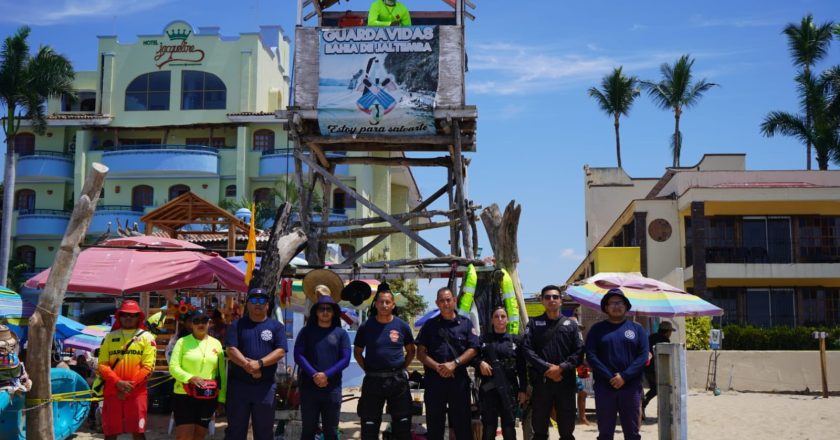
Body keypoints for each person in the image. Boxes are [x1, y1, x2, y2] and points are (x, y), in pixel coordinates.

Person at [354, 282, 416, 439]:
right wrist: (368, 369)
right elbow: (357, 352)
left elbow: (411, 351)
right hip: (373, 381)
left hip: (398, 382)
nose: (384, 305)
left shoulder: (402, 326)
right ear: (375, 304)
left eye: (387, 302)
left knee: (402, 426)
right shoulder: (366, 326)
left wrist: (402, 368)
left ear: (393, 305)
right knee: (369, 426)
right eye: (381, 302)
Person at [416, 287, 479, 440]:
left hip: (458, 381)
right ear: (437, 303)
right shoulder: (429, 326)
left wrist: (454, 363)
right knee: (434, 424)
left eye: (448, 299)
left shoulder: (465, 324)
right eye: (442, 300)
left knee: (462, 424)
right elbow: (421, 353)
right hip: (434, 380)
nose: (445, 303)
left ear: (454, 300)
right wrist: (437, 367)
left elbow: (474, 348)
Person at [584, 289, 648, 440]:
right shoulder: (597, 330)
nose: (616, 306)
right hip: (604, 387)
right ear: (606, 307)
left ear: (626, 306)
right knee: (605, 433)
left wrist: (624, 376)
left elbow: (643, 356)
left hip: (631, 387)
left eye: (619, 303)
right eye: (611, 303)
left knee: (632, 433)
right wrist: (610, 377)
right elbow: (591, 355)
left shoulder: (637, 329)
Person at [522, 285, 584, 440]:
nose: (552, 300)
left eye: (555, 297)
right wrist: (546, 368)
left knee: (567, 430)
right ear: (542, 301)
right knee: (540, 430)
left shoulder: (571, 326)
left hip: (565, 382)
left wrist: (561, 368)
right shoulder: (534, 324)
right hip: (542, 383)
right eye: (548, 297)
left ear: (561, 301)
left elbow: (579, 352)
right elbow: (527, 350)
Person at [224, 288, 287, 440]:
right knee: (236, 430)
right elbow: (231, 349)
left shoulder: (276, 327)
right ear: (247, 304)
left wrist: (259, 364)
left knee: (264, 431)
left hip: (265, 388)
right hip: (239, 386)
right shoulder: (236, 325)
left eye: (262, 300)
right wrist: (249, 366)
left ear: (267, 305)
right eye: (253, 300)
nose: (257, 304)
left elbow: (281, 351)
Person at [294, 291, 351, 440]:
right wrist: (314, 374)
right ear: (316, 312)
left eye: (328, 309)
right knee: (308, 429)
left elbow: (345, 359)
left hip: (332, 388)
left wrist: (326, 375)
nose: (325, 312)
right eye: (321, 309)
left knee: (331, 430)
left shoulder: (341, 334)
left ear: (333, 312)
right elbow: (298, 355)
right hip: (309, 388)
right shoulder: (306, 332)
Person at [97, 300, 157, 440]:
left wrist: (128, 386)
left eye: (133, 315)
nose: (128, 318)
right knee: (110, 432)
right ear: (119, 316)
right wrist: (118, 383)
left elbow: (148, 367)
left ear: (139, 317)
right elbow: (102, 365)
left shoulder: (147, 338)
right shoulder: (109, 337)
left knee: (138, 432)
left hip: (136, 393)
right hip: (113, 391)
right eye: (124, 314)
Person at [169, 308, 227, 440]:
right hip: (184, 395)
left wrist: (221, 399)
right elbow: (173, 367)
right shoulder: (182, 342)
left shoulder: (216, 344)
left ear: (209, 323)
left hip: (207, 397)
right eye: (196, 321)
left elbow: (221, 373)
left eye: (204, 320)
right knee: (183, 436)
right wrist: (190, 378)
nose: (200, 324)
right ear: (191, 324)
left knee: (199, 436)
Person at [475, 307, 527, 440]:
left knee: (509, 428)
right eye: (496, 317)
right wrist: (480, 363)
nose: (500, 319)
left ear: (508, 320)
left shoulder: (515, 341)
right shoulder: (483, 340)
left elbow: (521, 367)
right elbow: (471, 356)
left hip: (509, 388)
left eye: (503, 316)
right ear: (492, 320)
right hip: (489, 389)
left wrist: (522, 390)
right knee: (489, 428)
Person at [642, 321, 674, 418]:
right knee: (658, 389)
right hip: (657, 369)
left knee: (655, 389)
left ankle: (642, 405)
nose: (670, 334)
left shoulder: (651, 337)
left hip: (646, 367)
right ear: (667, 331)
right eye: (670, 331)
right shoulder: (665, 341)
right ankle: (643, 404)